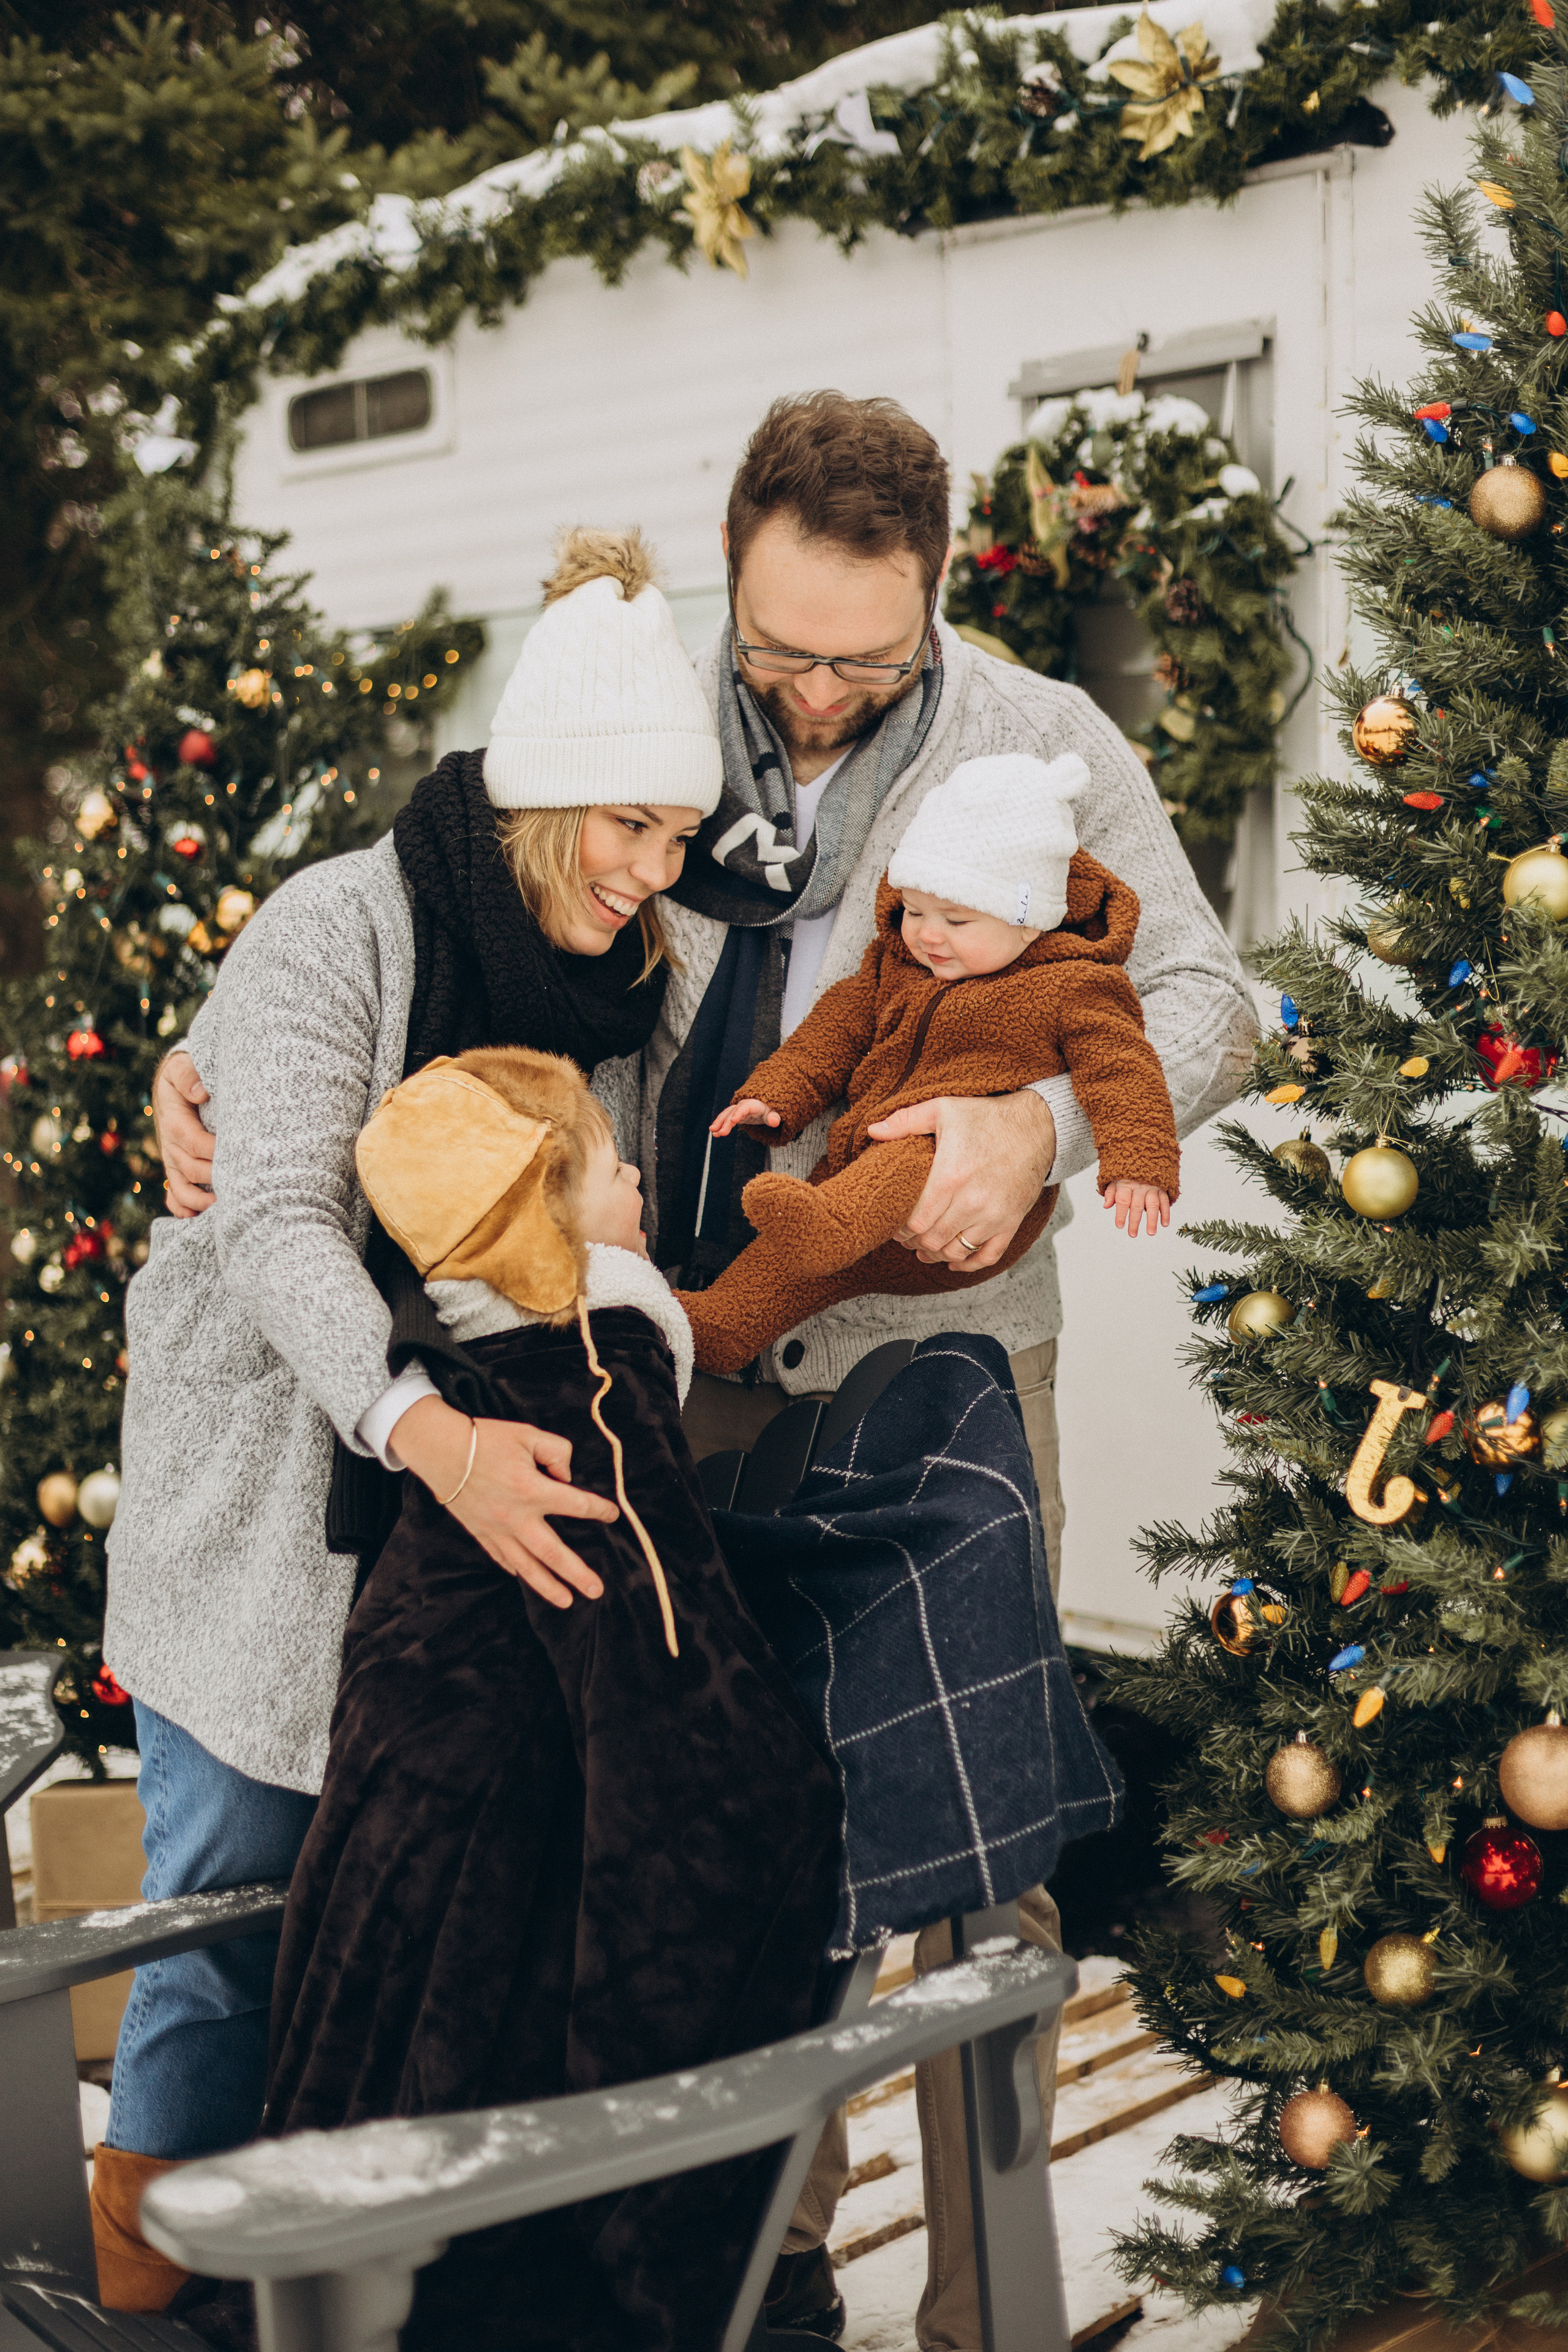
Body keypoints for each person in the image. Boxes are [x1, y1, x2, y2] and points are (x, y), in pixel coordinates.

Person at [155, 395, 1258, 2352]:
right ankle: (768, 2253)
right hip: (670, 1352)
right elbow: (432, 930)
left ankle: (980, 2294)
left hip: (932, 1356)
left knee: (966, 1829)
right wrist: (222, 1063)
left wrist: (1041, 1129)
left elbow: (1206, 997)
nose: (816, 697)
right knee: (720, 1790)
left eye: (864, 658)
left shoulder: (1035, 744)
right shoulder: (641, 730)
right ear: (729, 569)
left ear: (937, 594)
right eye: (781, 652)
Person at [96, 528, 724, 2313]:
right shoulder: (343, 926)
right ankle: (149, 2283)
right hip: (277, 1503)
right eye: (627, 827)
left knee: (408, 1906)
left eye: (676, 836)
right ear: (543, 801)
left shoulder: (634, 994)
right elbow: (273, 1214)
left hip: (470, 1534)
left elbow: (611, 1230)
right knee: (231, 1909)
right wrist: (422, 1426)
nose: (652, 870)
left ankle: (352, 2275)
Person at [171, 1046, 839, 2352]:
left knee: (354, 2172)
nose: (639, 1170)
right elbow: (674, 1688)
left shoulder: (471, 1369)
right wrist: (789, 1802)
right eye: (606, 1160)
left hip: (381, 1872)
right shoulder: (587, 1380)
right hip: (483, 1895)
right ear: (546, 1203)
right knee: (463, 2248)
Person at [677, 750, 1180, 1374]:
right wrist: (775, 1097)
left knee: (911, 1151)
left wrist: (1140, 1165)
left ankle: (831, 1225)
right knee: (783, 1264)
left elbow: (1125, 1075)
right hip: (854, 1179)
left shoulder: (1073, 987)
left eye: (957, 918)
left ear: (1031, 921)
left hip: (958, 1194)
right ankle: (721, 1327)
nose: (927, 935)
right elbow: (830, 1035)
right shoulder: (895, 968)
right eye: (913, 910)